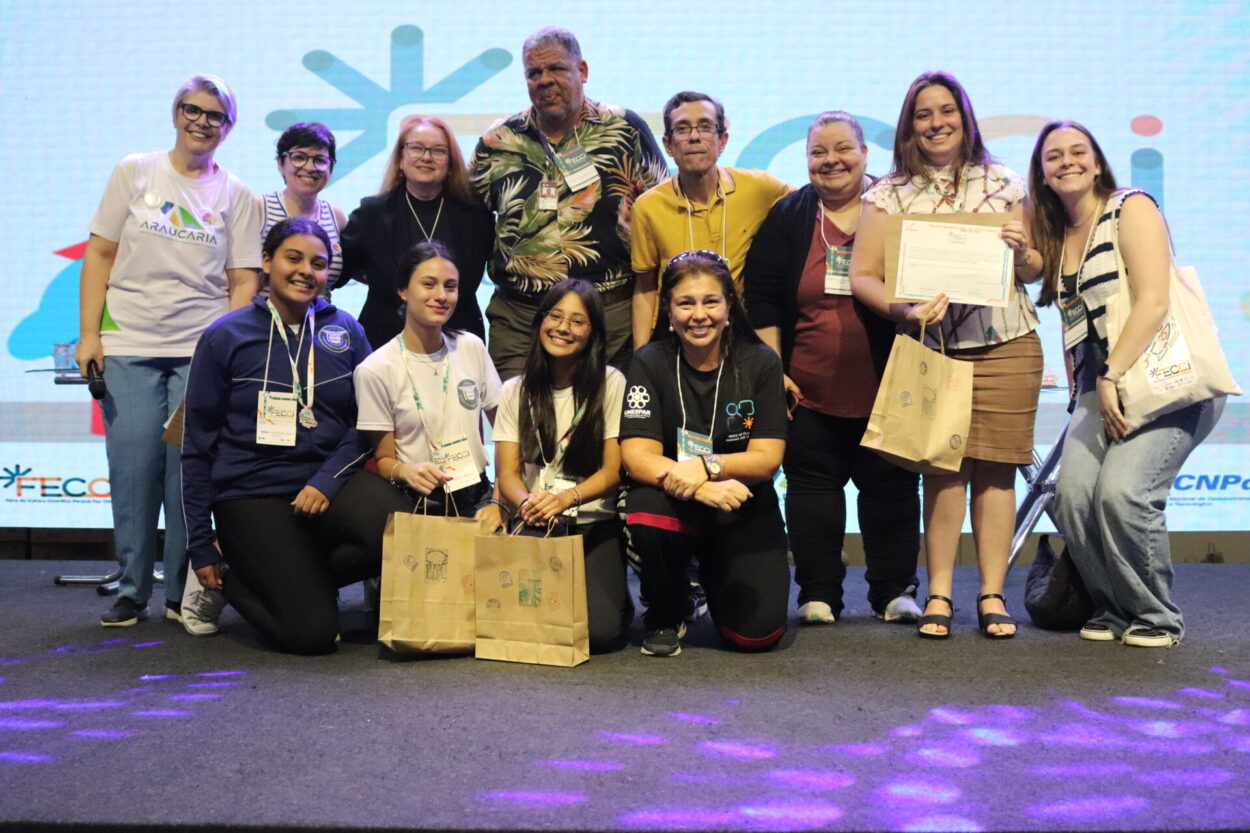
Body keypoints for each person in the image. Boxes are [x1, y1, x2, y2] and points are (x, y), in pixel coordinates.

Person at [849, 71, 1044, 639]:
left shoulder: (1006, 184)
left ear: (965, 116)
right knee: (941, 473)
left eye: (945, 111)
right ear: (910, 124)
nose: (936, 124)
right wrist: (902, 312)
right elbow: (864, 275)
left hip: (1008, 344)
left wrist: (1024, 251)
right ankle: (937, 593)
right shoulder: (887, 193)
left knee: (997, 476)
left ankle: (991, 594)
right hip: (936, 349)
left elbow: (1035, 271)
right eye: (923, 114)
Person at [1029, 121, 1225, 648]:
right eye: (1053, 156)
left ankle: (1156, 615)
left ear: (1097, 162)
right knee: (1070, 497)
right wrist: (1086, 393)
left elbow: (1155, 299)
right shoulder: (1059, 235)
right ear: (1042, 174)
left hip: (1164, 381)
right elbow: (1076, 324)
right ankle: (1114, 609)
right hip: (1101, 389)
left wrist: (1112, 374)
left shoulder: (1130, 205)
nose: (1066, 161)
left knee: (1122, 495)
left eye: (1078, 151)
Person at [77, 73, 261, 628]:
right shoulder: (134, 171)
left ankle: (183, 591)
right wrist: (89, 334)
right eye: (193, 110)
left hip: (199, 354)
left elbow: (243, 282)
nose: (202, 122)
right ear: (176, 113)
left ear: (228, 128)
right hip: (128, 343)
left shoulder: (239, 195)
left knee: (189, 474)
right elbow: (101, 255)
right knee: (134, 468)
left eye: (215, 116)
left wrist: (224, 350)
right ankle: (133, 589)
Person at [180, 218, 404, 653]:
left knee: (403, 530)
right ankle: (232, 578)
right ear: (267, 261)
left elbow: (365, 424)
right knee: (311, 634)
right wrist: (200, 543)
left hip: (325, 482)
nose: (306, 271)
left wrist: (325, 481)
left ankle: (294, 576)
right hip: (251, 491)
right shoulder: (225, 336)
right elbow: (197, 447)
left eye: (318, 263)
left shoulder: (346, 331)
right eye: (293, 258)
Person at [744, 111, 921, 625]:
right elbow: (762, 297)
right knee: (811, 493)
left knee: (890, 490)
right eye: (818, 152)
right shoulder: (790, 214)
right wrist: (773, 370)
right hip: (808, 388)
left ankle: (893, 591)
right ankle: (818, 592)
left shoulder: (894, 207)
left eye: (843, 148)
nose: (831, 161)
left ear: (866, 153)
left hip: (888, 385)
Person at [469, 26, 666, 378]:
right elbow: (466, 219)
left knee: (606, 430)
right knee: (519, 428)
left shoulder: (625, 130)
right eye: (534, 73)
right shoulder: (498, 142)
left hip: (610, 320)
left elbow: (665, 215)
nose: (544, 80)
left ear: (583, 71)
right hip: (521, 321)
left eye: (556, 68)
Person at [620, 251, 790, 657]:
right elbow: (637, 456)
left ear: (730, 306)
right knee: (645, 505)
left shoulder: (761, 361)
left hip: (741, 500)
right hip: (679, 497)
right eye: (686, 303)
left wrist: (706, 466)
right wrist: (699, 488)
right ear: (668, 311)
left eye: (711, 301)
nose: (699, 315)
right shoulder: (649, 361)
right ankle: (667, 609)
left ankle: (711, 574)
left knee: (756, 638)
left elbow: (768, 458)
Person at [493, 279, 631, 652]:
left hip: (592, 523)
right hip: (538, 520)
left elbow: (613, 471)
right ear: (540, 322)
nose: (562, 328)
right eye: (555, 316)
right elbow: (507, 473)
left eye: (577, 321)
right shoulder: (515, 390)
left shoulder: (611, 383)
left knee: (601, 635)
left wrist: (567, 498)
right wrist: (527, 503)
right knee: (522, 625)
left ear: (593, 333)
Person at [354, 241, 504, 529]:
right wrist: (405, 471)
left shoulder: (470, 347)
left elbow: (506, 432)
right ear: (403, 290)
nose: (441, 296)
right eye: (429, 284)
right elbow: (385, 460)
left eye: (450, 286)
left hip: (478, 496)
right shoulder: (375, 369)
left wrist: (498, 500)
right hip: (417, 504)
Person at [631, 91, 788, 349]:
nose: (694, 136)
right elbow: (645, 288)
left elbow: (814, 198)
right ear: (668, 145)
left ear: (722, 140)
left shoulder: (760, 188)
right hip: (677, 340)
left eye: (705, 127)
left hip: (742, 340)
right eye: (682, 129)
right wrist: (641, 357)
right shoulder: (648, 206)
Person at [341, 115, 493, 347]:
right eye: (416, 148)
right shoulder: (371, 213)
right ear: (400, 158)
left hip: (459, 342)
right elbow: (337, 271)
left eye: (439, 150)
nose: (426, 157)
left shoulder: (476, 215)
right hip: (385, 342)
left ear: (451, 161)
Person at [259, 123, 347, 296]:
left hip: (320, 321)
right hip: (265, 321)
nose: (309, 167)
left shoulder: (336, 216)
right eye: (299, 157)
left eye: (320, 160)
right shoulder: (258, 208)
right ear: (280, 164)